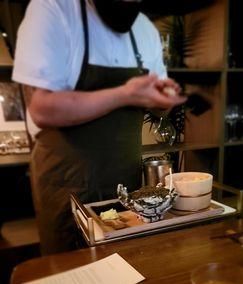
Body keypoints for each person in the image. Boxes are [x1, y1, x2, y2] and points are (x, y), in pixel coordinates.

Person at [13, 0, 186, 255]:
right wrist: (125, 94)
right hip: (66, 187)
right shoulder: (54, 8)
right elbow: (42, 108)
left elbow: (161, 108)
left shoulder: (144, 29)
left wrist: (163, 98)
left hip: (124, 185)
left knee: (120, 270)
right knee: (71, 279)